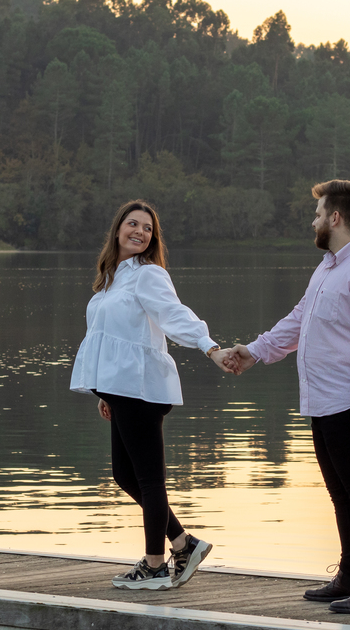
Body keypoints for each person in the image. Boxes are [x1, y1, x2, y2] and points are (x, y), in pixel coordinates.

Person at [222, 180, 350, 613]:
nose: (314, 220)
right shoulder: (328, 268)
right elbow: (300, 320)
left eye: (319, 213)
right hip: (325, 401)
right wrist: (255, 352)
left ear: (336, 218)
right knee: (342, 494)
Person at [71, 200, 235, 590]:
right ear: (117, 230)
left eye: (147, 228)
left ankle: (155, 565)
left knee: (148, 479)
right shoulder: (113, 278)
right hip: (120, 389)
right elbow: (108, 339)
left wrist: (210, 347)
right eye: (133, 224)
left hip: (141, 388)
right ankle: (183, 543)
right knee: (125, 474)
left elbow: (174, 315)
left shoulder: (148, 275)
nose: (140, 232)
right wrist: (103, 391)